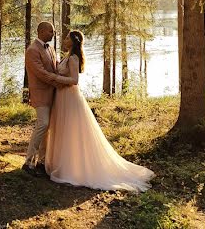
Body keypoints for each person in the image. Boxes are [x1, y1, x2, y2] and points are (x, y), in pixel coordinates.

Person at [45, 30, 154, 192]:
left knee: (71, 131)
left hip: (70, 98)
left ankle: (72, 168)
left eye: (67, 38)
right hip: (61, 97)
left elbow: (74, 80)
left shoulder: (74, 58)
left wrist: (56, 78)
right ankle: (64, 163)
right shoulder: (67, 57)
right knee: (63, 130)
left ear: (73, 42)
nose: (65, 39)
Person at [23, 21, 74, 177]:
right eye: (51, 32)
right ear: (42, 31)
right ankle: (28, 162)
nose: (53, 34)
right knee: (42, 124)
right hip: (40, 94)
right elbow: (41, 73)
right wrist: (63, 81)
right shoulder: (32, 50)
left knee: (48, 128)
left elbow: (55, 67)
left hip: (53, 93)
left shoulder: (50, 48)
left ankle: (42, 162)